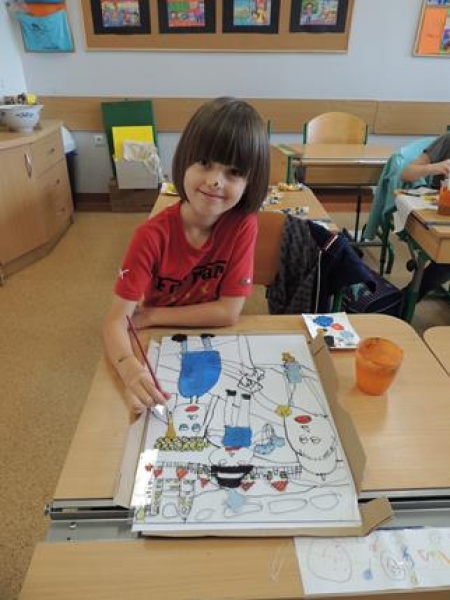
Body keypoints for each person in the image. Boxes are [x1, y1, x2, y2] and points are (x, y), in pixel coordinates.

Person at [102, 97, 270, 416]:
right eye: (205, 162)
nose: (215, 180)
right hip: (159, 343)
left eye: (234, 172)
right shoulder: (150, 236)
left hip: (209, 338)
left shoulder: (243, 225)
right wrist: (128, 369)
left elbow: (228, 313)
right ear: (184, 161)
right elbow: (115, 321)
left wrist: (152, 315)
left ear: (251, 182)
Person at [401, 133, 450, 300]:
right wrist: (435, 167)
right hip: (440, 214)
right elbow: (407, 173)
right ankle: (403, 302)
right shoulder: (447, 140)